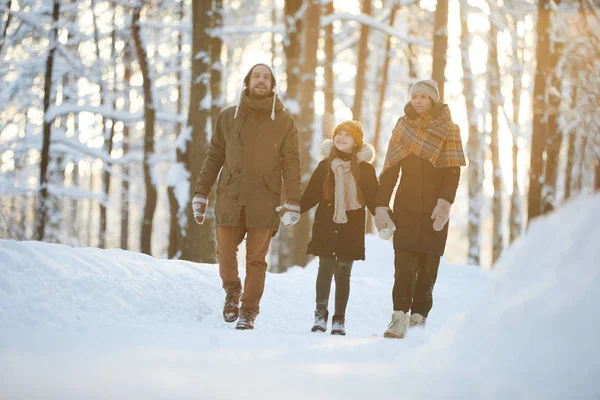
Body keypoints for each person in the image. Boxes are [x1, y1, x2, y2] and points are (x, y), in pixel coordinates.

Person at [192, 63, 301, 330]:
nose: (261, 81)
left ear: (273, 84)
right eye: (257, 76)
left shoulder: (285, 121)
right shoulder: (227, 117)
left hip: (264, 199)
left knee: (256, 260)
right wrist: (201, 192)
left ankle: (249, 311)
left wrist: (294, 201)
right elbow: (214, 156)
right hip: (230, 194)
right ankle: (232, 292)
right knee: (225, 251)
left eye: (266, 77)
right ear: (247, 82)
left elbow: (291, 162)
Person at [374, 79, 466, 339]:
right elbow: (390, 170)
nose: (418, 101)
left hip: (435, 211)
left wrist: (445, 202)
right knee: (403, 266)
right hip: (405, 208)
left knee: (428, 269)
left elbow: (453, 172)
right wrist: (382, 205)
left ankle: (418, 319)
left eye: (424, 96)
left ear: (434, 100)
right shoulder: (403, 127)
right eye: (414, 96)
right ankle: (398, 318)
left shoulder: (450, 129)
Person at [300, 120, 378, 335]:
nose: (341, 137)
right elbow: (311, 194)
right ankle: (320, 315)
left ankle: (339, 319)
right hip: (326, 223)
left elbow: (373, 199)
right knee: (324, 269)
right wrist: (293, 210)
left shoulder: (364, 169)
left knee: (343, 272)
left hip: (351, 226)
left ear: (357, 141)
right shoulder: (325, 166)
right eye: (338, 133)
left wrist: (384, 218)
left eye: (347, 134)